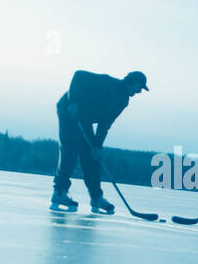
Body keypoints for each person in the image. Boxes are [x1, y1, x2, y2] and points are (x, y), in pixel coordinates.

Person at [50, 69, 148, 213]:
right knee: (71, 150)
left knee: (91, 157)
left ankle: (96, 198)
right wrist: (73, 102)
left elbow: (105, 124)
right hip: (69, 112)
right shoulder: (108, 82)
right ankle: (59, 192)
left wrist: (97, 146)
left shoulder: (123, 101)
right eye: (139, 87)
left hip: (85, 120)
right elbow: (79, 75)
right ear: (134, 82)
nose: (139, 92)